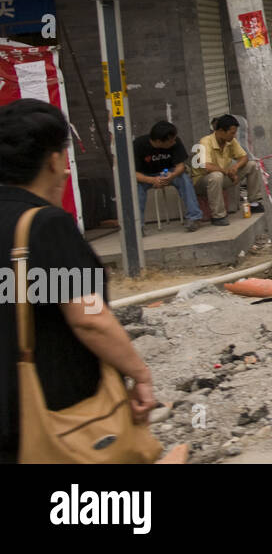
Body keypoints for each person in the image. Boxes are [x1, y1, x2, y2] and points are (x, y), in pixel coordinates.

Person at [0, 99, 186, 464]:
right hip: (47, 411)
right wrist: (140, 374)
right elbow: (89, 317)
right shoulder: (44, 226)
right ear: (53, 160)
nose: (67, 172)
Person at [192, 114, 263, 226]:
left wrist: (235, 168)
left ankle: (254, 202)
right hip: (202, 182)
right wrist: (226, 171)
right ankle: (218, 216)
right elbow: (207, 166)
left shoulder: (230, 141)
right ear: (220, 131)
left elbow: (244, 157)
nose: (234, 136)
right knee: (216, 176)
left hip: (223, 176)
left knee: (252, 165)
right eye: (232, 133)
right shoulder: (205, 142)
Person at [133, 120, 203, 233]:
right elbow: (133, 174)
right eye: (171, 141)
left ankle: (194, 217)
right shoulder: (138, 145)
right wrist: (152, 180)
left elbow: (181, 165)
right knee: (136, 187)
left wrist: (173, 175)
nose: (174, 142)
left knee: (184, 179)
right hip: (146, 175)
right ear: (159, 141)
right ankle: (137, 226)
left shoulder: (176, 142)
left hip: (170, 172)